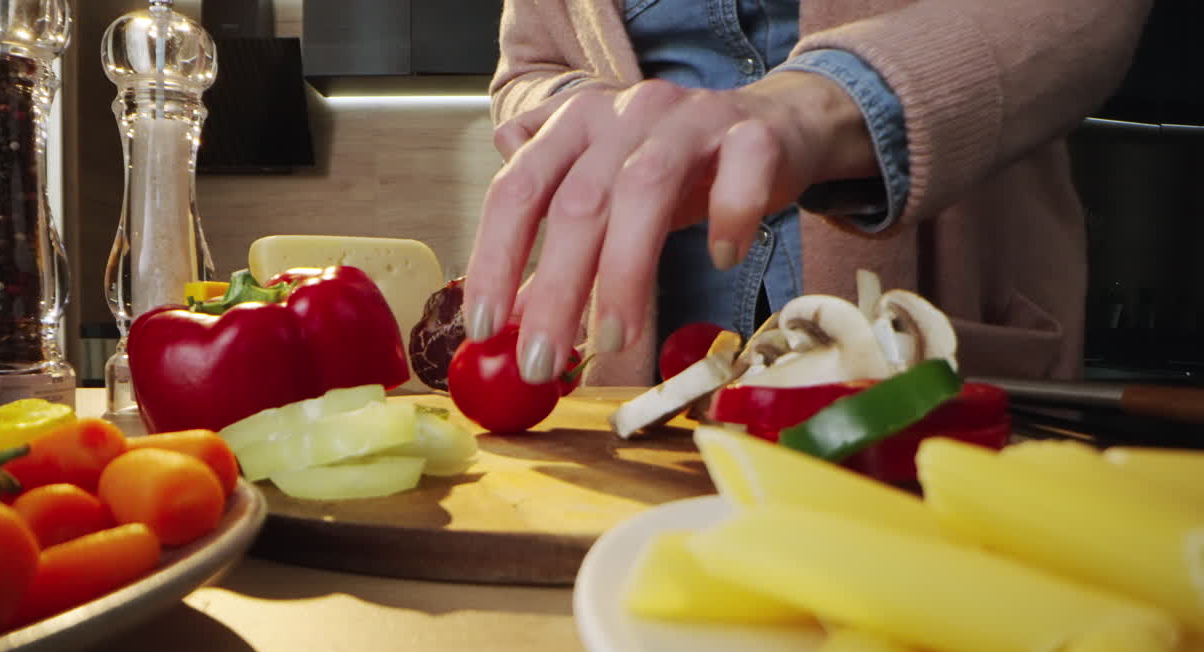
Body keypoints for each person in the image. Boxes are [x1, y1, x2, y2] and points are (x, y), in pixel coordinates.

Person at [461, 0, 1154, 387]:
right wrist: (585, 111)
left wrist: (818, 109)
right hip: (644, 382)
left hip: (942, 356)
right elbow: (530, 63)